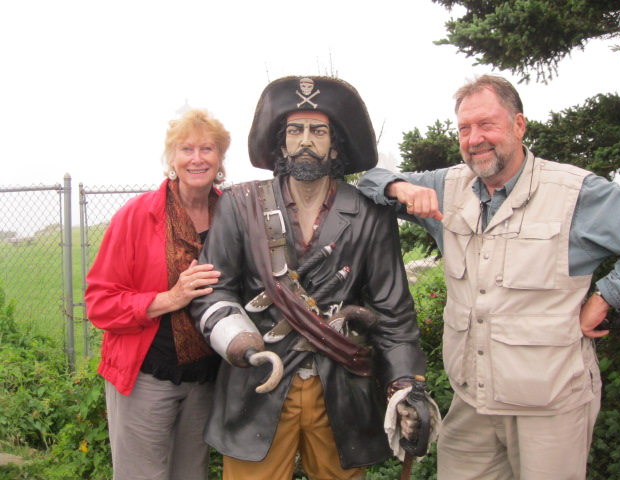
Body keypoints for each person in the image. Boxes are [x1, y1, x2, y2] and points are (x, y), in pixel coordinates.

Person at [357, 74, 620, 479]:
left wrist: (609, 296)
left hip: (550, 406)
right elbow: (368, 180)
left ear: (519, 125)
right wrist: (399, 187)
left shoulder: (574, 193)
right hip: (472, 404)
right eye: (465, 129)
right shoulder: (447, 187)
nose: (475, 139)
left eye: (486, 124)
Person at [189, 76, 430, 480]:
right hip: (259, 383)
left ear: (335, 144)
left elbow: (394, 313)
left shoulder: (370, 214)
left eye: (318, 131)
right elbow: (213, 290)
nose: (305, 141)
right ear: (281, 142)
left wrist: (405, 384)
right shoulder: (240, 205)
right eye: (295, 130)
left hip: (341, 390)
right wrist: (241, 342)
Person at [85, 109, 230, 479]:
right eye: (186, 149)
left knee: (191, 475)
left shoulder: (232, 216)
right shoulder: (136, 215)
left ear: (220, 158)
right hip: (146, 376)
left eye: (207, 149)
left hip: (205, 378)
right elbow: (99, 303)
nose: (197, 159)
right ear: (172, 158)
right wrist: (171, 297)